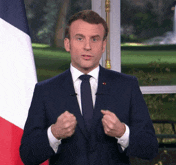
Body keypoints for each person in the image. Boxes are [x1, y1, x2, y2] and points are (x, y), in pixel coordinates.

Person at [20, 10, 158, 165]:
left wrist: (122, 132)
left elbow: (150, 149)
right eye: (80, 38)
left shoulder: (127, 86)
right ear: (67, 44)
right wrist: (54, 133)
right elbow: (28, 155)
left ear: (103, 45)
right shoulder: (45, 90)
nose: (87, 46)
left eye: (94, 39)